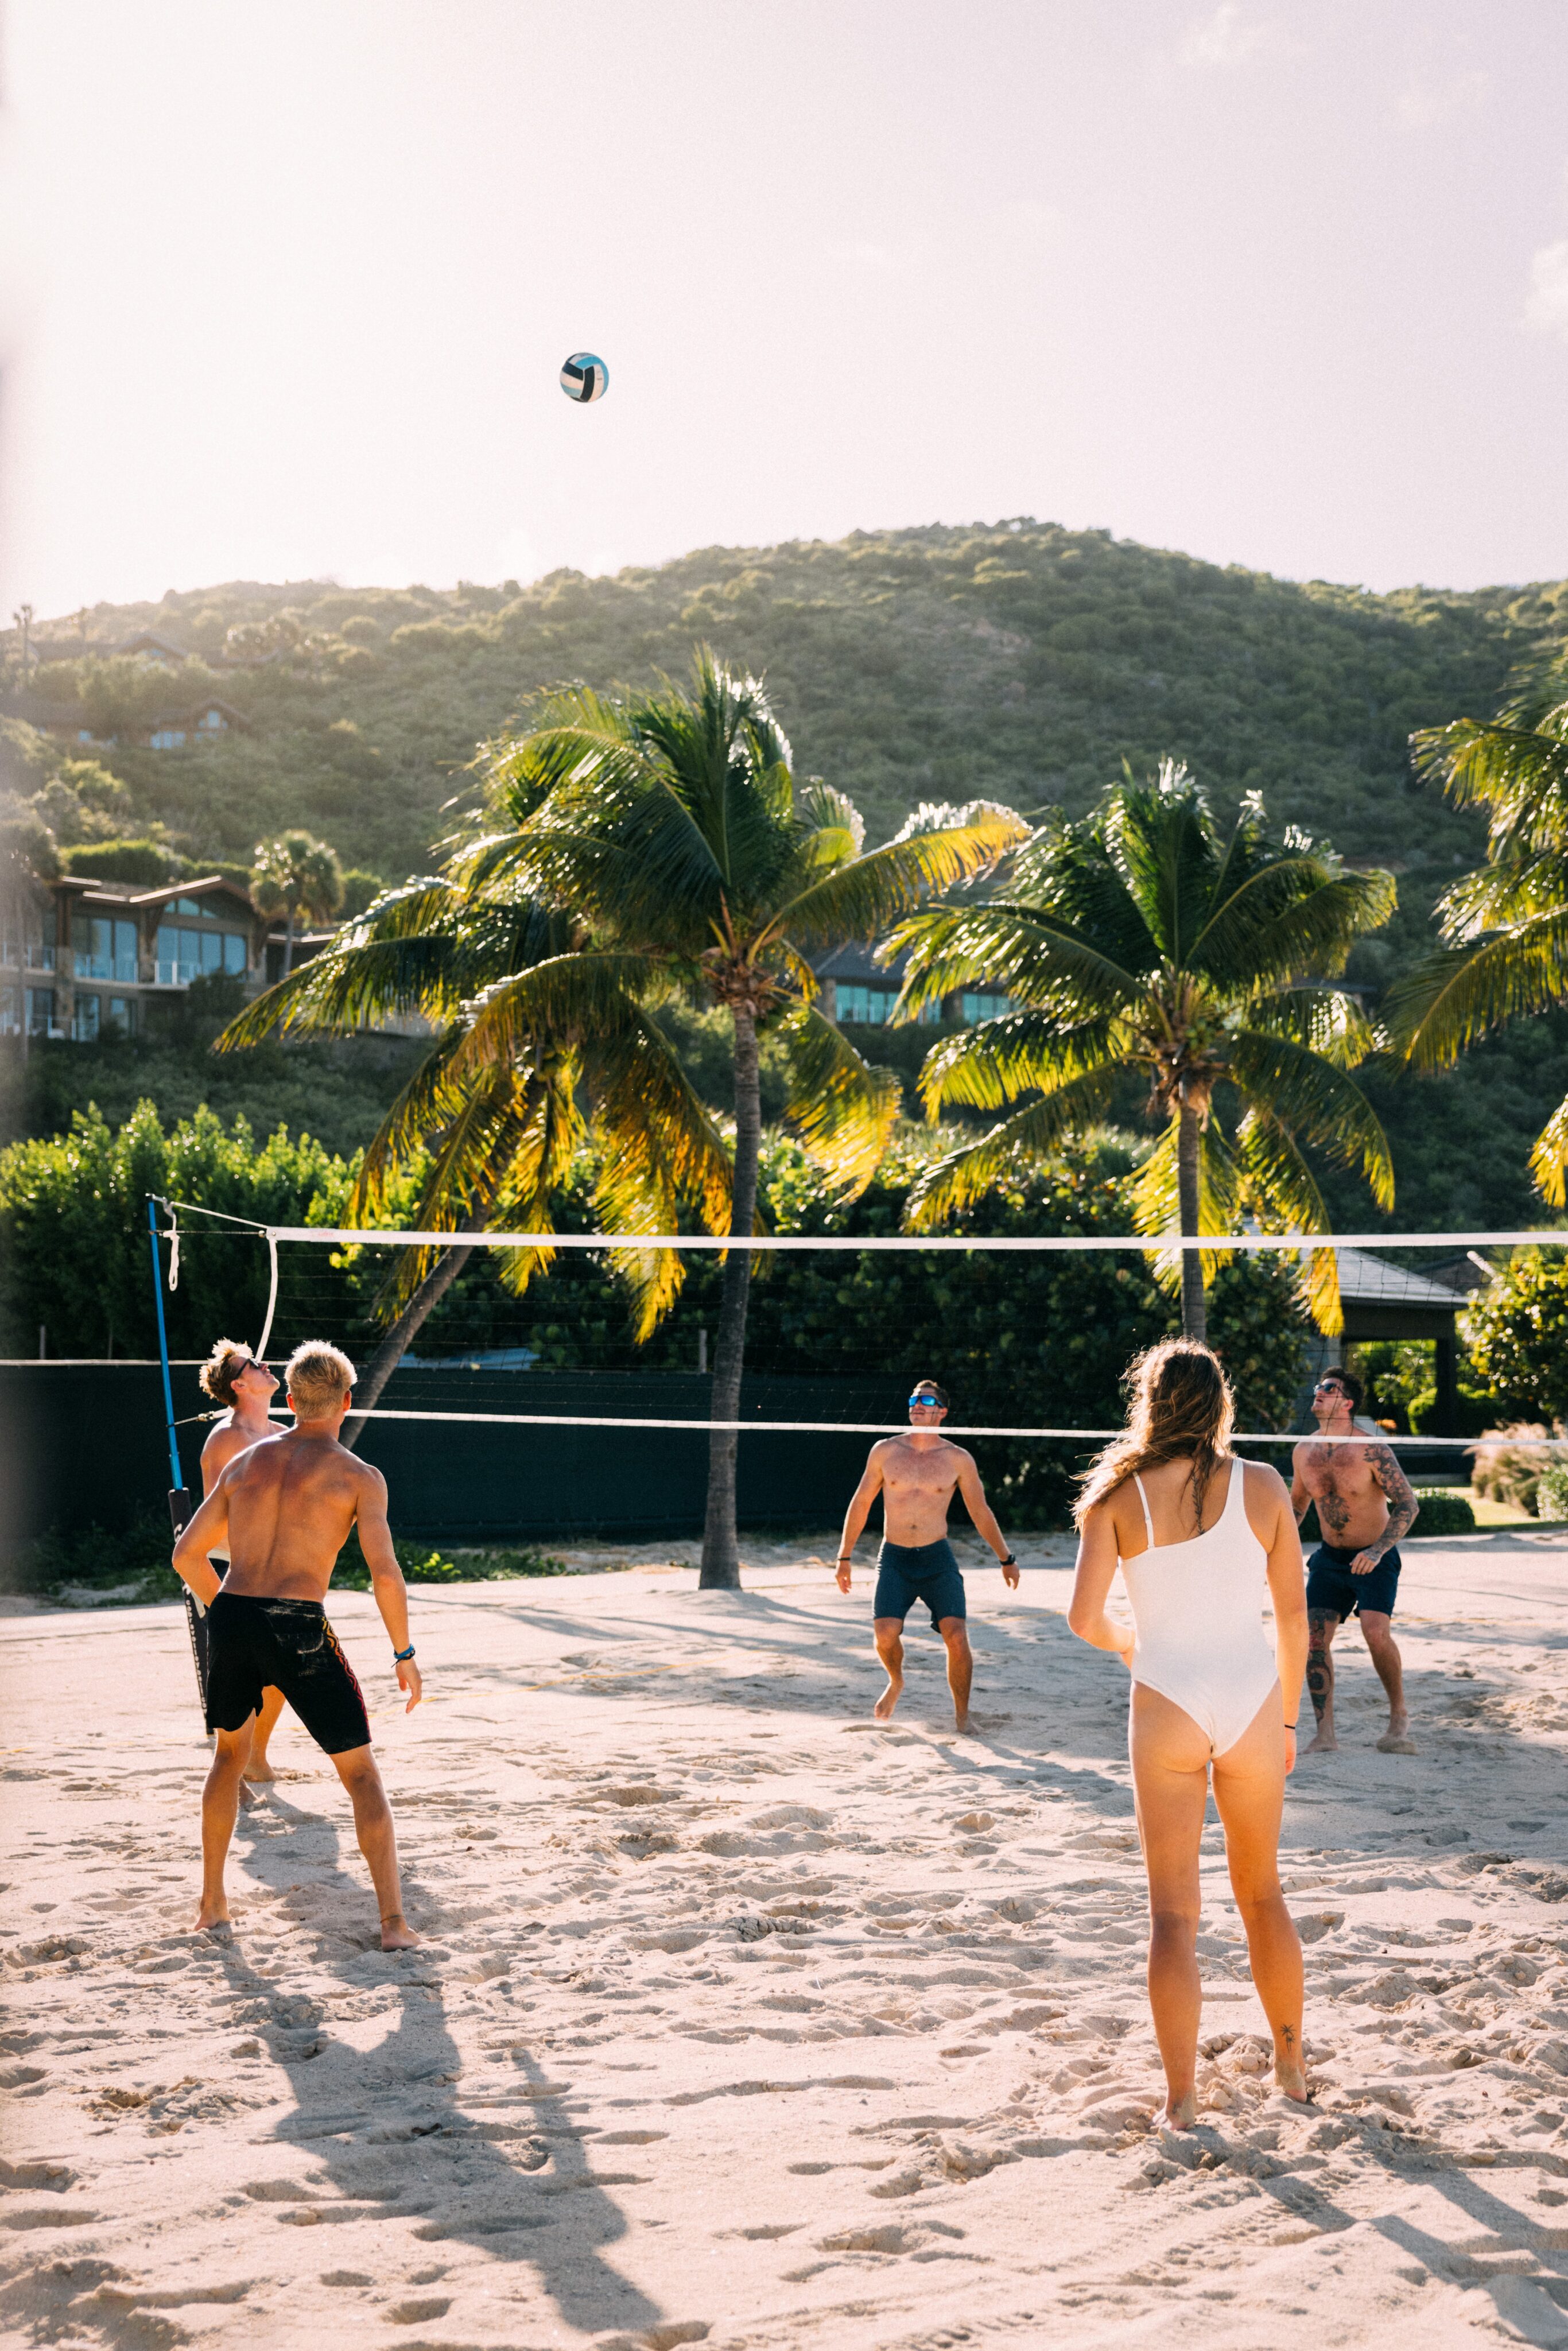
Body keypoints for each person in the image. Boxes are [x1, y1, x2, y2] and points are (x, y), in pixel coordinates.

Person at [1068, 1339, 1309, 2128]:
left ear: (1150, 1402)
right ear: (1221, 1404)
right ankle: (1292, 2066)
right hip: (1250, 1699)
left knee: (1174, 1915)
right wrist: (1285, 1718)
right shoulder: (1266, 1484)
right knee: (1263, 1894)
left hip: (1165, 1699)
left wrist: (1130, 1642)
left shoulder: (1117, 1496)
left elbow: (1083, 1619)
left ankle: (1181, 2098)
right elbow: (1294, 1618)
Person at [172, 1340, 422, 1951]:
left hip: (234, 1615)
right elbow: (384, 1574)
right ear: (346, 1401)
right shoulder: (360, 1477)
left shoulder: (244, 1463)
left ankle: (211, 1905)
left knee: (228, 1761)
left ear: (289, 1400)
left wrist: (227, 1610)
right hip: (297, 1623)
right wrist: (403, 1653)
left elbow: (185, 1554)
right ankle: (393, 1926)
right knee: (360, 1773)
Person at [835, 1378, 1019, 1733]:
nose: (918, 1405)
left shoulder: (958, 1459)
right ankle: (896, 1681)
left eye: (927, 1400)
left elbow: (981, 1512)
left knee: (957, 1635)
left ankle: (963, 1717)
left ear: (943, 1412)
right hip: (895, 1558)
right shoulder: (885, 1451)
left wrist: (1006, 1558)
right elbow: (860, 1503)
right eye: (914, 1399)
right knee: (885, 1634)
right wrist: (844, 1557)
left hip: (937, 1559)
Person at [1290, 1365, 1419, 1756]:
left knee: (1376, 1634)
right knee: (1314, 1640)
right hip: (1329, 1560)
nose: (1319, 1392)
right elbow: (1296, 1507)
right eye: (1318, 1387)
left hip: (1375, 1557)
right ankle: (1325, 1733)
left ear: (1346, 1403)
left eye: (1329, 1389)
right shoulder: (1303, 1451)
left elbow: (1408, 1505)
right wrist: (1272, 1549)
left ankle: (1398, 1717)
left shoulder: (1372, 1450)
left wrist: (1377, 1550)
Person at [199, 1340, 287, 1785]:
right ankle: (233, 1767)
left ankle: (254, 1758)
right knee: (240, 1677)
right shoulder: (226, 1439)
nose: (266, 1364)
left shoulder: (278, 1433)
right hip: (233, 1569)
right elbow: (214, 1521)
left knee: (280, 1676)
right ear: (239, 1384)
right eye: (254, 1363)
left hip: (276, 1570)